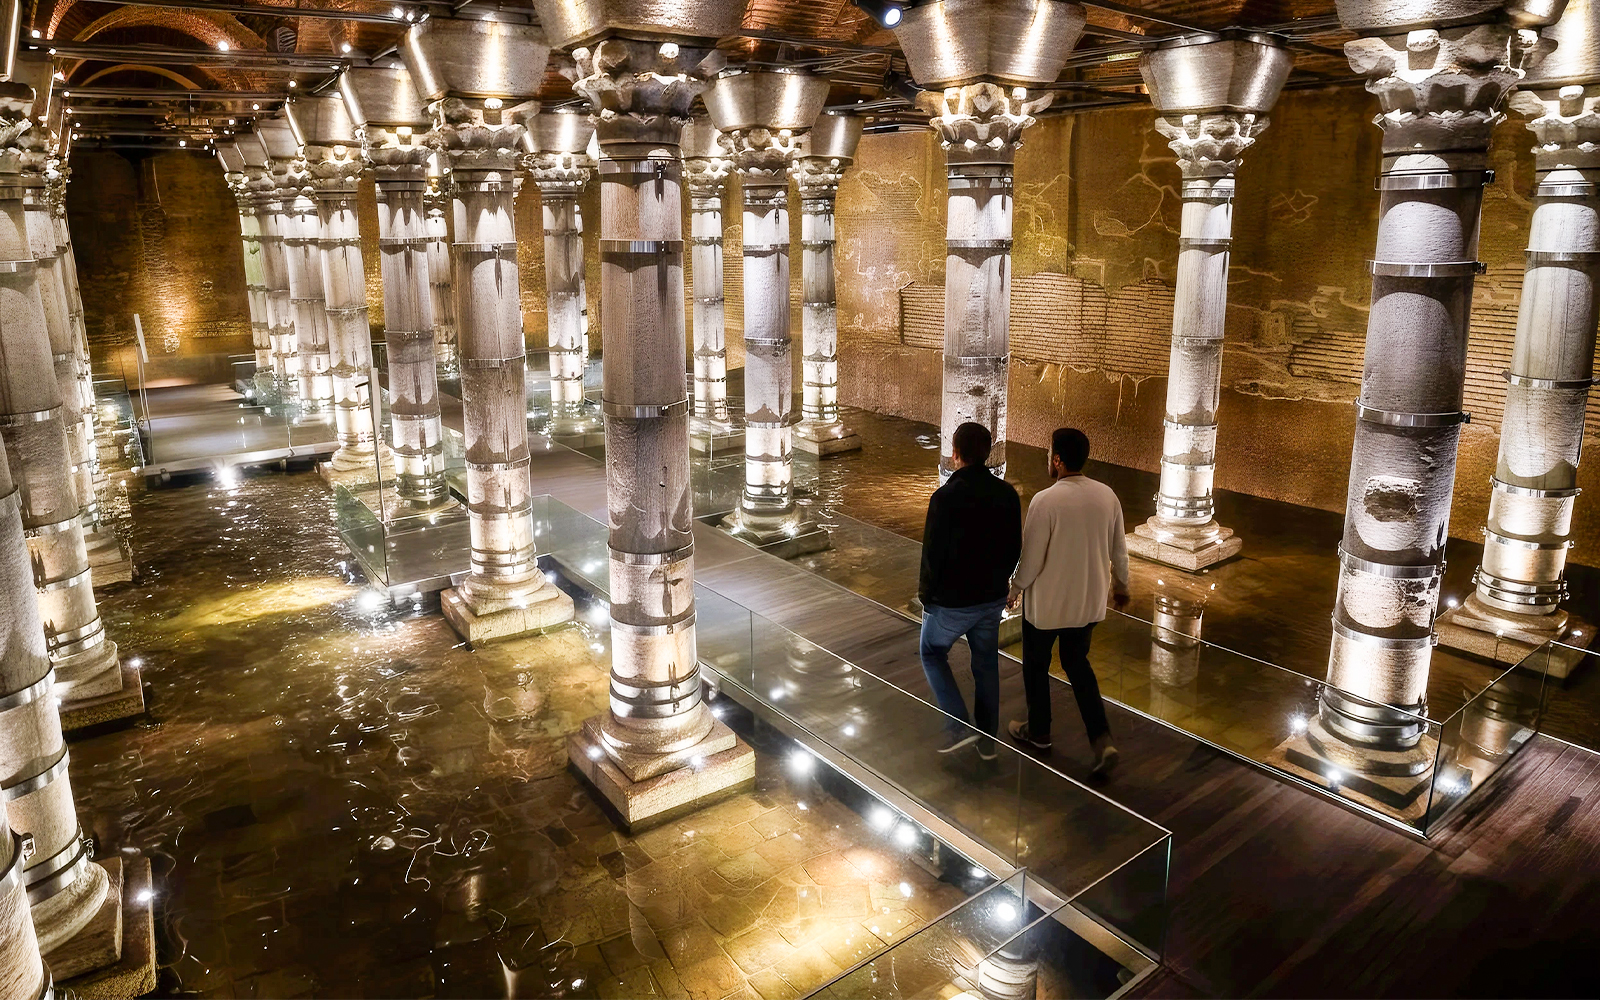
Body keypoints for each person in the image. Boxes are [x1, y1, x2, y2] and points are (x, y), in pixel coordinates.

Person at [1007, 427, 1129, 776]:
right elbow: (1119, 551)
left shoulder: (1046, 501)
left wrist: (1015, 588)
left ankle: (1040, 732)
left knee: (1036, 666)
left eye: (1050, 454)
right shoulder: (1107, 496)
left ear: (1057, 460)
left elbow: (1031, 559)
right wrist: (1122, 586)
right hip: (1087, 605)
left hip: (1046, 607)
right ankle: (1102, 739)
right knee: (1078, 666)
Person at [918, 421, 1022, 760]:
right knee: (986, 664)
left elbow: (932, 553)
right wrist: (1002, 582)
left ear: (955, 454)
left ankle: (959, 725)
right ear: (987, 454)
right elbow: (1014, 548)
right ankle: (987, 740)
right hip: (991, 599)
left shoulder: (945, 497)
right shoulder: (1007, 494)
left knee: (932, 653)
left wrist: (927, 597)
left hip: (951, 601)